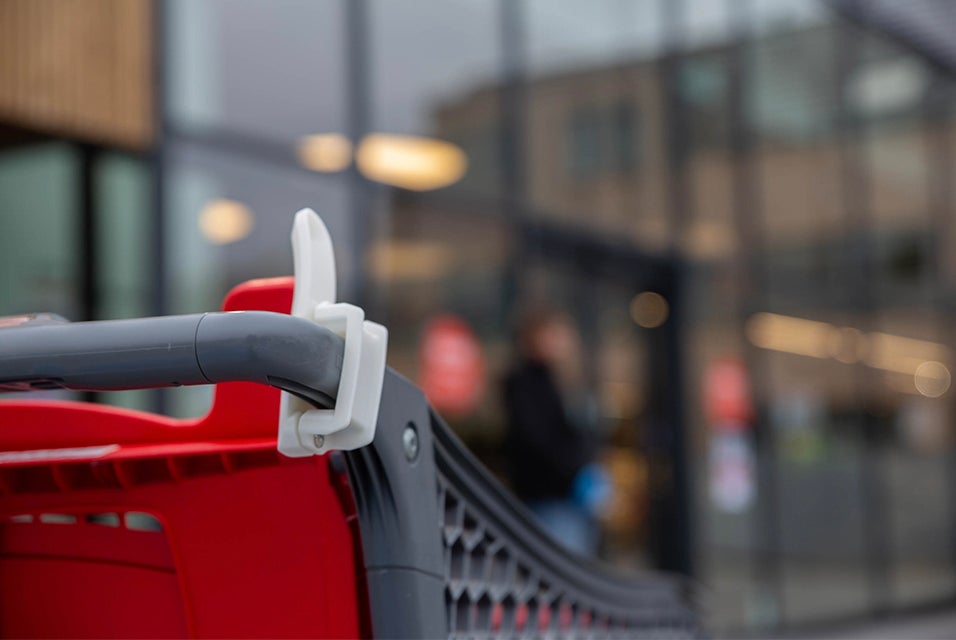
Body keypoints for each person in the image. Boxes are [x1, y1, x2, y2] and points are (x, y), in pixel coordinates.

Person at [503, 308, 607, 555]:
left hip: (571, 500)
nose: (563, 341)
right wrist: (575, 467)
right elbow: (539, 442)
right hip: (549, 501)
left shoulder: (562, 381)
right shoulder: (525, 384)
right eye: (555, 333)